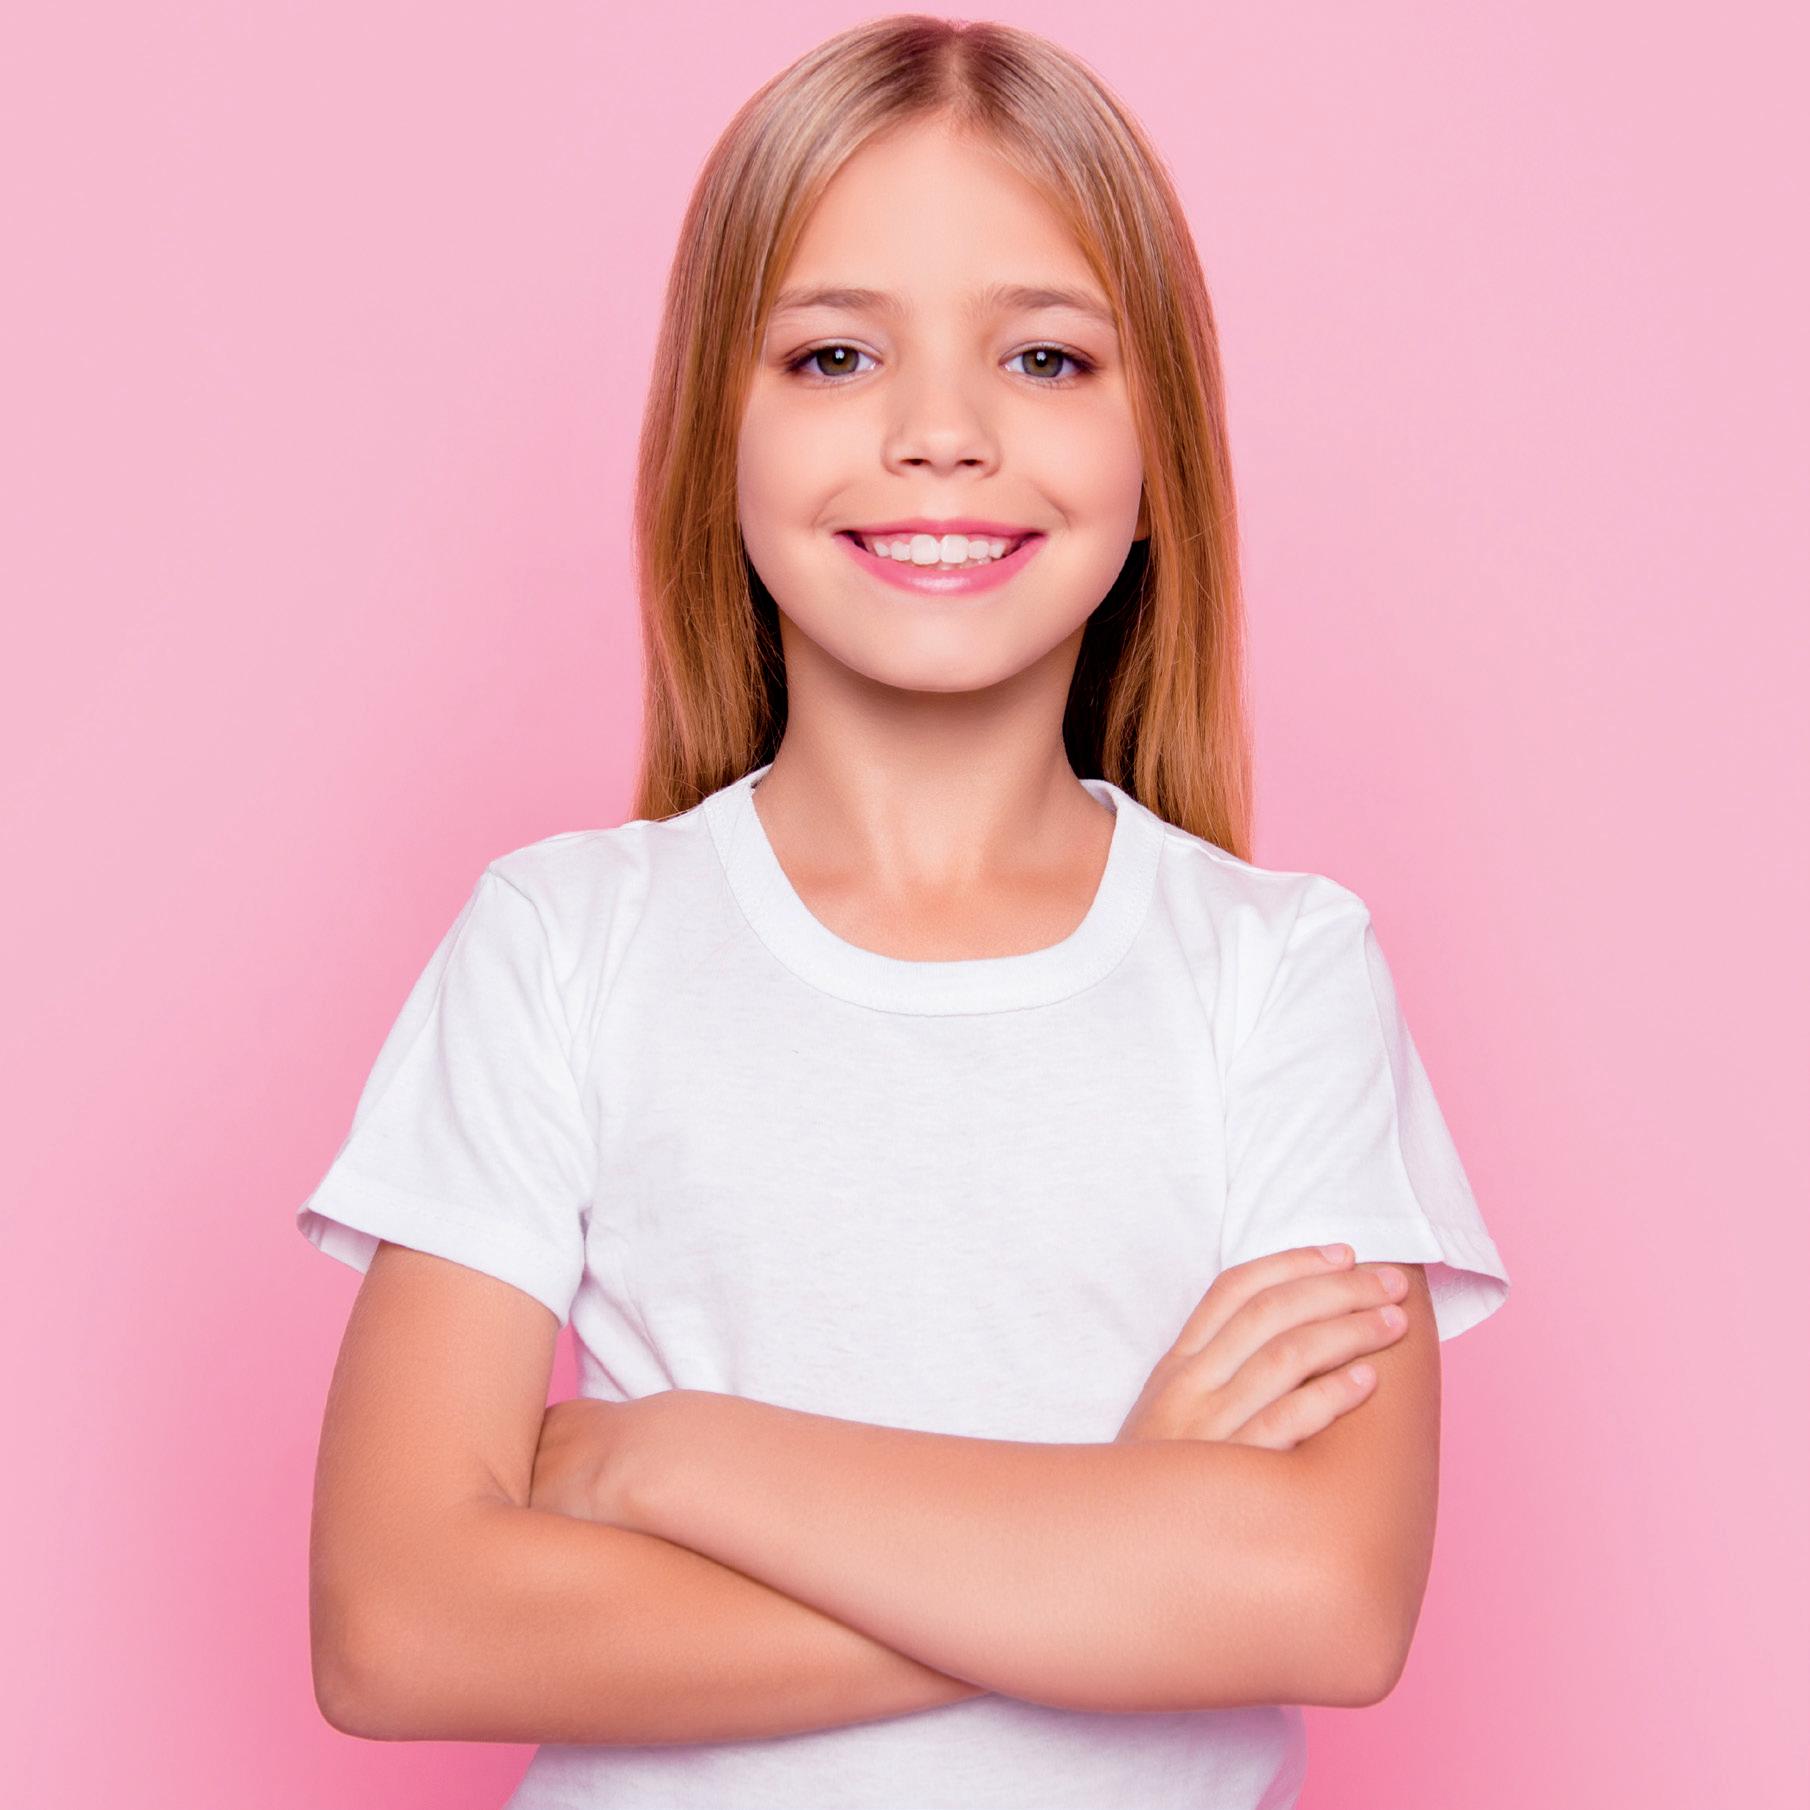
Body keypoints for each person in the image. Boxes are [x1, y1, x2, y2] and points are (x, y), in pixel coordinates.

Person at [295, 17, 1511, 1808]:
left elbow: (1320, 1599)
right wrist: (1108, 1542)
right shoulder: (564, 941)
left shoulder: (1277, 971)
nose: (940, 434)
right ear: (716, 428)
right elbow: (400, 1626)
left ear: (1159, 446)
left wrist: (672, 1459)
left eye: (1044, 355)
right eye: (835, 353)